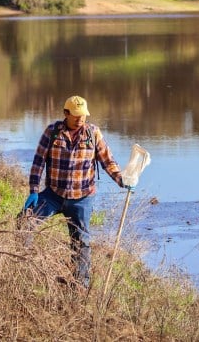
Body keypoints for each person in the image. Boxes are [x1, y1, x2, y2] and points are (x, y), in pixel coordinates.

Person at [23, 95, 131, 287]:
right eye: (76, 115)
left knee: (80, 242)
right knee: (25, 222)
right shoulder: (52, 132)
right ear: (66, 113)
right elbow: (38, 162)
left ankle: (80, 284)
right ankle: (23, 267)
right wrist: (33, 190)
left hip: (82, 198)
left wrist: (122, 180)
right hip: (53, 195)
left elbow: (107, 160)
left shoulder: (92, 133)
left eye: (83, 115)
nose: (80, 119)